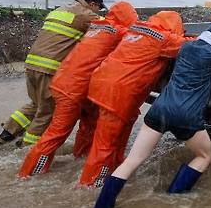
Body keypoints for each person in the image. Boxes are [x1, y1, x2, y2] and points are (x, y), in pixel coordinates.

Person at [92, 18, 211, 208]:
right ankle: (173, 199)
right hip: (186, 116)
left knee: (133, 160)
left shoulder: (186, 48)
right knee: (205, 155)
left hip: (159, 110)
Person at [18, 2, 138, 178]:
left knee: (88, 124)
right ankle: (28, 174)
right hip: (72, 89)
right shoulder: (117, 32)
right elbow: (141, 37)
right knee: (57, 134)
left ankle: (79, 157)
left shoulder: (97, 27)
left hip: (65, 82)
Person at [79, 10, 187, 187]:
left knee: (106, 138)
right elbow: (193, 46)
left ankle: (108, 172)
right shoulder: (162, 38)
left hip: (100, 86)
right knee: (105, 146)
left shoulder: (137, 29)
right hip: (117, 94)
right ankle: (89, 187)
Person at [0, 0, 103, 146]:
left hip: (32, 63)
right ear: (93, 4)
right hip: (48, 68)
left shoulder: (60, 9)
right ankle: (26, 150)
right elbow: (109, 26)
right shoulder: (85, 14)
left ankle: (6, 134)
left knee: (36, 104)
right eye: (99, 9)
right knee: (48, 110)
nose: (98, 12)